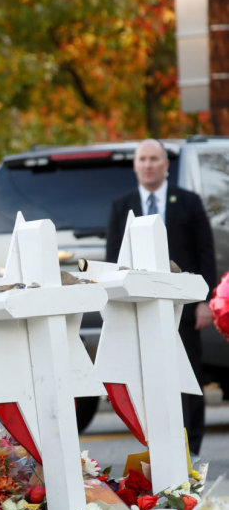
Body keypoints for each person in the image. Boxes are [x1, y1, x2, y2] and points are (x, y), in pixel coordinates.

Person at [105, 139, 216, 457]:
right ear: (135, 165)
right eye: (143, 159)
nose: (149, 164)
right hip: (141, 309)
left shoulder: (189, 202)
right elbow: (114, 259)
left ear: (167, 164)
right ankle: (155, 443)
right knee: (147, 375)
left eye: (155, 159)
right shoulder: (121, 206)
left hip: (183, 307)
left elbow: (204, 253)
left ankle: (191, 447)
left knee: (188, 374)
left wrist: (205, 302)